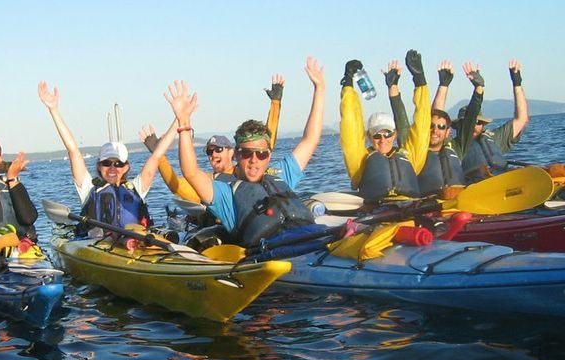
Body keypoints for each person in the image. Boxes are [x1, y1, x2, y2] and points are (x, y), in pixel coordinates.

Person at [163, 56, 325, 246]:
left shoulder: (281, 176)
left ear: (269, 156)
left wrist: (319, 89)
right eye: (247, 153)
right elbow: (191, 172)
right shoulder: (224, 194)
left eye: (261, 154)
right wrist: (184, 123)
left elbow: (310, 140)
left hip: (314, 240)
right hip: (274, 255)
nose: (255, 160)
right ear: (237, 154)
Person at [37, 81, 177, 230]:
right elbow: (73, 150)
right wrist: (53, 110)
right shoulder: (88, 188)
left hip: (132, 246)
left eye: (118, 164)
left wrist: (179, 120)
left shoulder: (136, 188)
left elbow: (157, 156)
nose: (112, 168)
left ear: (126, 167)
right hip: (98, 245)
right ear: (99, 166)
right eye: (106, 163)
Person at [141, 74, 285, 202]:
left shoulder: (248, 170)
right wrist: (158, 154)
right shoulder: (208, 182)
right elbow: (179, 187)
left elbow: (263, 145)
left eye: (219, 149)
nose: (214, 154)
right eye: (210, 152)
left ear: (232, 153)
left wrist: (275, 102)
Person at [340, 50, 430, 204]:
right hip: (378, 215)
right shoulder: (360, 162)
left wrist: (419, 79)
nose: (383, 140)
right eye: (377, 135)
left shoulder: (410, 156)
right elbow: (350, 127)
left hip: (411, 212)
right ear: (369, 136)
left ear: (394, 134)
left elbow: (422, 123)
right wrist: (348, 84)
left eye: (387, 134)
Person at [393, 61, 482, 197]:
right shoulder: (415, 151)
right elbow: (401, 122)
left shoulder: (457, 148)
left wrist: (479, 88)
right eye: (431, 126)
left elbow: (471, 117)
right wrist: (393, 87)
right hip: (429, 208)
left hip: (460, 205)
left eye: (441, 127)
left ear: (448, 132)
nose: (435, 130)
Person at [456, 60, 530, 183]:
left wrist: (517, 83)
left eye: (478, 122)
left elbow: (521, 119)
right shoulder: (453, 147)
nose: (474, 126)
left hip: (504, 177)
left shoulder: (494, 138)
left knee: (554, 169)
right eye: (468, 123)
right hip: (477, 184)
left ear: (483, 124)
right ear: (458, 126)